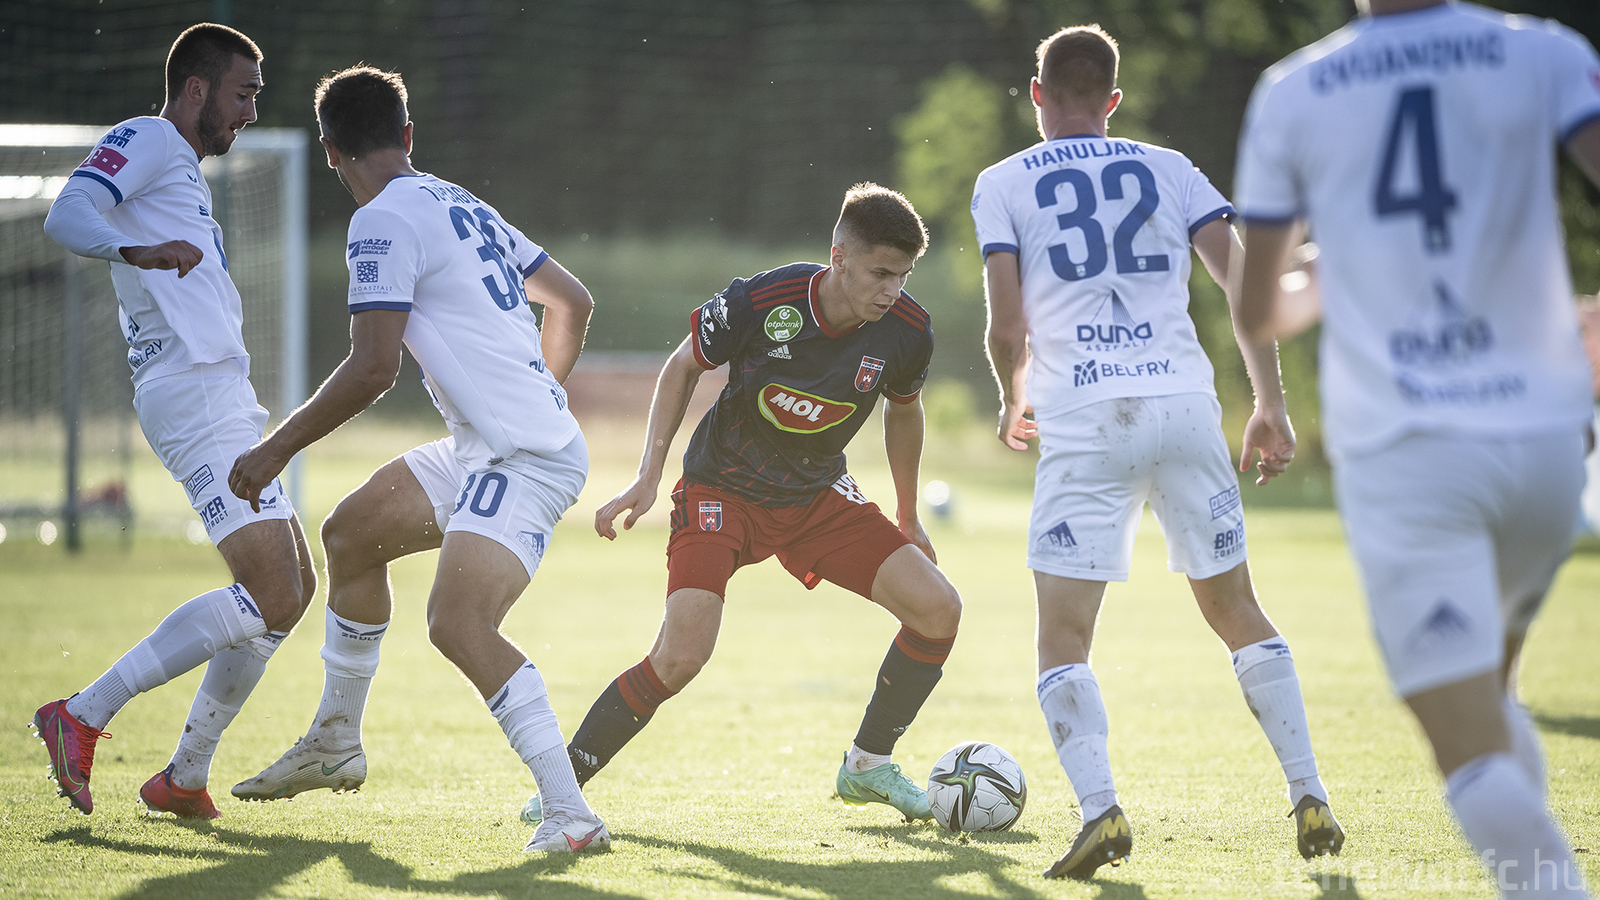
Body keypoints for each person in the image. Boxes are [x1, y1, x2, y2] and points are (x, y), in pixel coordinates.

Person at [1233, 0, 1600, 895]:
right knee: (1491, 695)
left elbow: (1258, 308)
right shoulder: (1544, 51)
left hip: (1410, 450)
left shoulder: (1296, 88)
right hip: (1548, 441)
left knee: (1464, 742)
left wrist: (1333, 273)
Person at [974, 24, 1343, 880]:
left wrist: (1010, 396)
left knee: (1064, 636)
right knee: (1236, 607)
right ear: (1113, 100)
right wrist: (1270, 403)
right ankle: (1309, 790)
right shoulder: (1171, 168)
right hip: (1183, 406)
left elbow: (1006, 325)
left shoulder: (1003, 181)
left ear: (1037, 95)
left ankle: (1101, 812)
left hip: (1085, 417)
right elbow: (1245, 284)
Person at [224, 66, 607, 853]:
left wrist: (275, 448)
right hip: (490, 446)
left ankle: (571, 815)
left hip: (524, 457)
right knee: (351, 534)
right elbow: (573, 301)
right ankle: (336, 740)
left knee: (458, 622)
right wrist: (538, 390)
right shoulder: (458, 199)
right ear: (406, 135)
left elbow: (374, 367)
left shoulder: (379, 221)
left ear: (330, 152)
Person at [518, 183, 962, 828]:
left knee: (939, 609)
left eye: (903, 276)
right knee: (681, 656)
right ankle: (563, 786)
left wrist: (908, 514)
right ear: (839, 257)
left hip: (815, 495)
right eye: (881, 274)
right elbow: (682, 366)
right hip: (721, 489)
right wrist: (648, 476)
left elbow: (904, 410)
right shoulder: (763, 300)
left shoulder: (908, 331)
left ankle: (867, 764)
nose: (893, 290)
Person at [36, 23, 317, 821]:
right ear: (196, 89)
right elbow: (68, 213)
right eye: (243, 94)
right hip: (194, 393)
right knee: (271, 590)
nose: (251, 113)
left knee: (294, 590)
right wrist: (134, 252)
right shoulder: (153, 137)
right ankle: (80, 715)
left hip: (217, 391)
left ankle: (185, 775)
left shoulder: (181, 168)